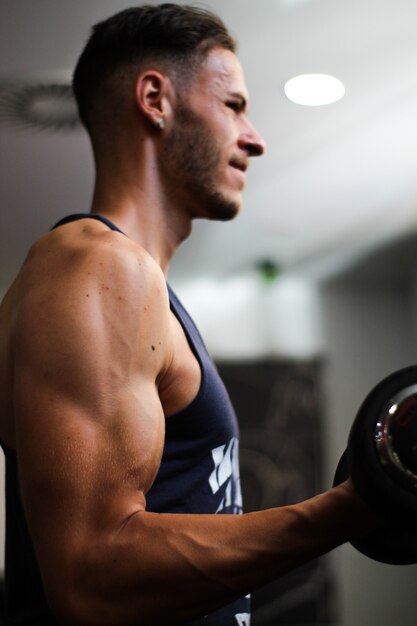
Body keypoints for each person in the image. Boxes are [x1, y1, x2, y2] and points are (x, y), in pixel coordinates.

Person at [0, 4, 377, 625]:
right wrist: (348, 511)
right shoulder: (97, 267)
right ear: (156, 98)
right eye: (233, 105)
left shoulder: (140, 289)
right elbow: (91, 575)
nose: (254, 137)